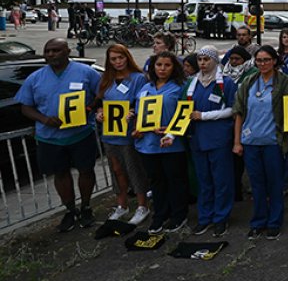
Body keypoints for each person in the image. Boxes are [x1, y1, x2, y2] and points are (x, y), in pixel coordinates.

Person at [16, 38, 102, 232]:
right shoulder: (35, 78)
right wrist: (44, 119)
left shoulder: (86, 73)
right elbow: (25, 107)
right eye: (47, 51)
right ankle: (70, 210)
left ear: (67, 51)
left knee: (86, 170)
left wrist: (90, 108)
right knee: (60, 174)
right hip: (49, 137)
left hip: (80, 134)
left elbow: (102, 94)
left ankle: (86, 206)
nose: (51, 54)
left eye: (56, 50)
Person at [233, 45, 288, 240]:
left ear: (275, 60)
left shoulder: (285, 82)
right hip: (251, 141)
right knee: (256, 184)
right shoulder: (249, 82)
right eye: (259, 60)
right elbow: (239, 112)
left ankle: (274, 221)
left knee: (275, 183)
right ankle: (258, 221)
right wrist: (237, 142)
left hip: (272, 141)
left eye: (267, 60)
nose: (263, 64)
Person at [185, 46, 238, 237]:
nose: (202, 63)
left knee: (221, 180)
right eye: (200, 60)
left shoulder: (226, 84)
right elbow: (183, 111)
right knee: (204, 181)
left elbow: (233, 109)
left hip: (218, 139)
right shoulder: (192, 84)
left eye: (206, 60)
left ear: (215, 61)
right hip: (197, 139)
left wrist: (205, 116)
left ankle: (221, 217)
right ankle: (205, 217)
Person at [94, 44, 150, 225]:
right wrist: (100, 113)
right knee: (116, 170)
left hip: (129, 132)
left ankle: (142, 205)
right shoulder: (105, 79)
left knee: (134, 168)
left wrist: (133, 111)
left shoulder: (138, 78)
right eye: (113, 59)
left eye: (121, 57)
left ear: (127, 57)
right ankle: (122, 204)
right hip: (110, 133)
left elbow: (144, 102)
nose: (118, 62)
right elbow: (101, 102)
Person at [134, 51, 188, 235]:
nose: (162, 69)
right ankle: (160, 215)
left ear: (174, 67)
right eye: (159, 65)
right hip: (148, 145)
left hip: (172, 144)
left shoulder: (180, 87)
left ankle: (179, 215)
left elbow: (186, 113)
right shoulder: (144, 89)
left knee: (175, 180)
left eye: (167, 65)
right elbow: (139, 113)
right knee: (157, 182)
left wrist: (171, 132)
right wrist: (135, 123)